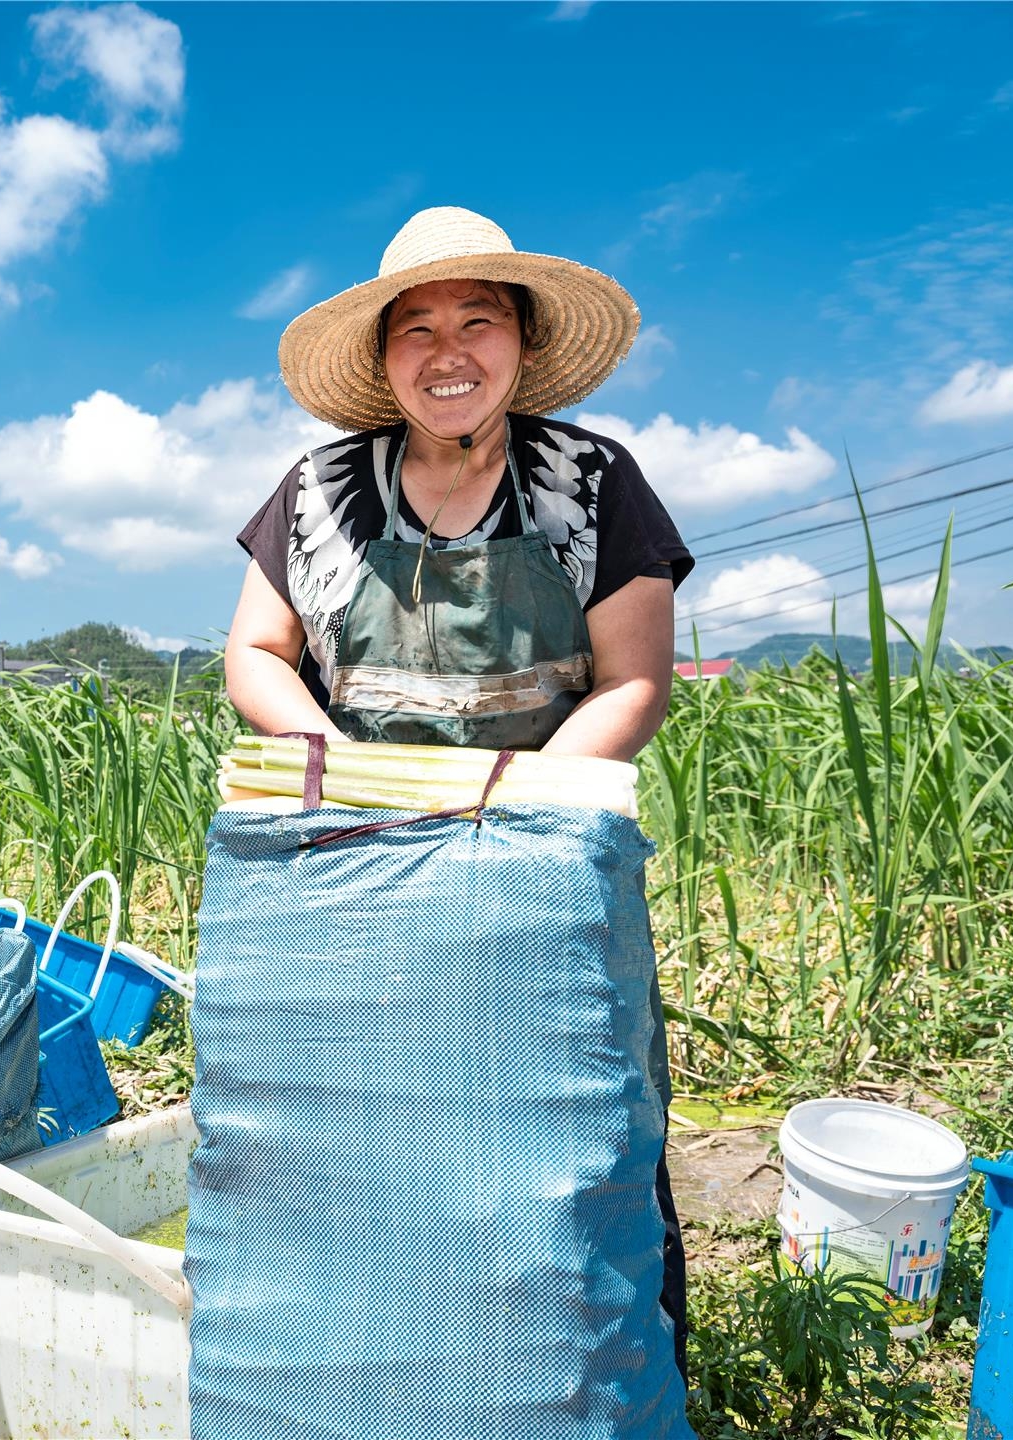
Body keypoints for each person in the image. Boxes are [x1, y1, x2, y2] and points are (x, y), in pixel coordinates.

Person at [226, 207, 695, 1370]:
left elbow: (634, 683)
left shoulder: (591, 483)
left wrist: (516, 802)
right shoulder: (319, 487)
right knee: (366, 1116)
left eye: (477, 323)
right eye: (416, 328)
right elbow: (255, 654)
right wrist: (335, 769)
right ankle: (390, 1357)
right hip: (358, 844)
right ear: (383, 360)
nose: (448, 352)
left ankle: (587, 1366)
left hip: (540, 839)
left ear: (523, 346)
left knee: (570, 1121)